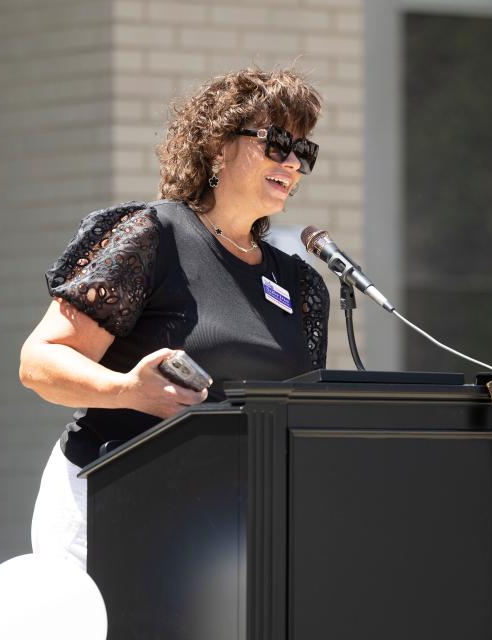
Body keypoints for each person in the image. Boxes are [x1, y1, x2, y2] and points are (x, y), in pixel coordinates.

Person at [20, 67, 331, 569]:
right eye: (276, 142)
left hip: (222, 530)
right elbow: (39, 361)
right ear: (216, 147)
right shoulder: (153, 236)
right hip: (108, 501)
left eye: (303, 151)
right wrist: (128, 390)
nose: (292, 162)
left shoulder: (301, 285)